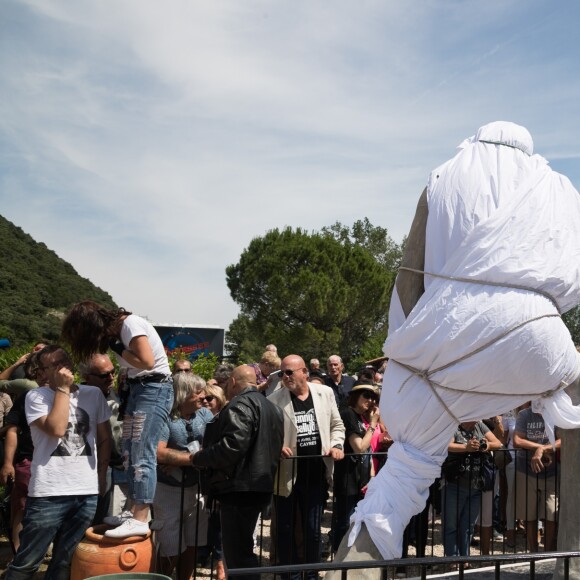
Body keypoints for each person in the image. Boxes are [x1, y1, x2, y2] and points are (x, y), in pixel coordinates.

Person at [61, 300, 173, 538]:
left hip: (153, 390)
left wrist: (117, 347)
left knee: (142, 452)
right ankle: (132, 511)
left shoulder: (129, 325)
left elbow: (147, 361)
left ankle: (141, 517)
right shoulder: (122, 330)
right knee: (130, 451)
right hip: (140, 389)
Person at [5, 345, 111, 580]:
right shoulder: (36, 396)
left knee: (65, 563)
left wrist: (101, 476)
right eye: (54, 365)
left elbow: (105, 439)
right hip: (48, 494)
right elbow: (56, 428)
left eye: (64, 362)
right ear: (42, 372)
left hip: (85, 492)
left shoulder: (93, 394)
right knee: (26, 563)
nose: (62, 368)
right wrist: (63, 389)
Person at [192, 365, 283, 580]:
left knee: (238, 555)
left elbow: (232, 446)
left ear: (233, 382)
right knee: (243, 550)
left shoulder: (239, 405)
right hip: (259, 486)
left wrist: (200, 457)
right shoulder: (272, 408)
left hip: (238, 488)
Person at [269, 354, 345, 580]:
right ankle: (289, 574)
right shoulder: (274, 399)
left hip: (316, 472)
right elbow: (268, 435)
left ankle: (311, 573)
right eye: (282, 373)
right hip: (287, 474)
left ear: (304, 372)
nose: (285, 377)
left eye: (289, 372)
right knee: (285, 528)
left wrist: (337, 444)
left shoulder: (325, 393)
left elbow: (336, 424)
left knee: (313, 529)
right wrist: (277, 447)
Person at [155, 372, 213, 580]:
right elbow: (158, 452)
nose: (203, 396)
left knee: (193, 542)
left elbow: (216, 446)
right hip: (167, 491)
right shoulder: (165, 417)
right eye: (198, 392)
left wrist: (178, 459)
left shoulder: (205, 415)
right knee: (169, 545)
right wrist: (193, 459)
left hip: (196, 489)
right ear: (184, 394)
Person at [441, 421, 501, 560]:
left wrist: (486, 445)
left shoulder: (480, 426)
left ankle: (465, 558)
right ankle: (452, 558)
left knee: (468, 526)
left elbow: (497, 443)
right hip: (454, 484)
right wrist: (466, 447)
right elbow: (447, 445)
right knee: (451, 524)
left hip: (475, 485)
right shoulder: (454, 424)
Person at [332, 383, 380, 553]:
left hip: (361, 477)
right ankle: (338, 558)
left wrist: (371, 475)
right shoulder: (349, 414)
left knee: (355, 521)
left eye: (373, 397)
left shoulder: (361, 418)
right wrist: (373, 425)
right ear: (355, 396)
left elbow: (368, 450)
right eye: (366, 396)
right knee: (345, 522)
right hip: (347, 477)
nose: (371, 400)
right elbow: (359, 447)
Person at [78, 353, 125, 525]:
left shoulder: (117, 394)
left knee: (101, 520)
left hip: (113, 468)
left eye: (113, 372)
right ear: (87, 377)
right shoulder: (77, 398)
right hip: (87, 467)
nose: (111, 377)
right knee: (83, 520)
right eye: (104, 375)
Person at [513, 404, 560, 552]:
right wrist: (539, 448)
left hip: (551, 471)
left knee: (552, 512)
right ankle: (533, 552)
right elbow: (517, 440)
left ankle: (547, 552)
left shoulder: (557, 413)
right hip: (526, 469)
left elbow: (563, 440)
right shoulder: (524, 414)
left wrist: (542, 449)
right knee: (529, 514)